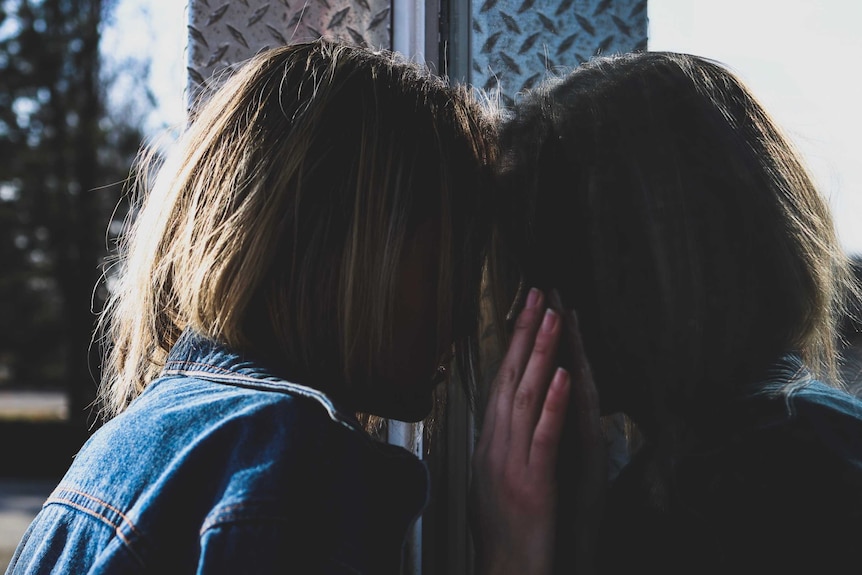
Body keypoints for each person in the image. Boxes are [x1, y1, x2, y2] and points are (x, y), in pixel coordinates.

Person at [5, 38, 570, 574]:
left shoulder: (121, 447)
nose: (466, 305)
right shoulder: (291, 466)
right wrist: (511, 559)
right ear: (361, 248)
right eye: (455, 252)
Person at [479, 51, 862, 574]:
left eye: (533, 264)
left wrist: (515, 558)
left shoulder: (722, 492)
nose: (516, 311)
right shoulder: (814, 433)